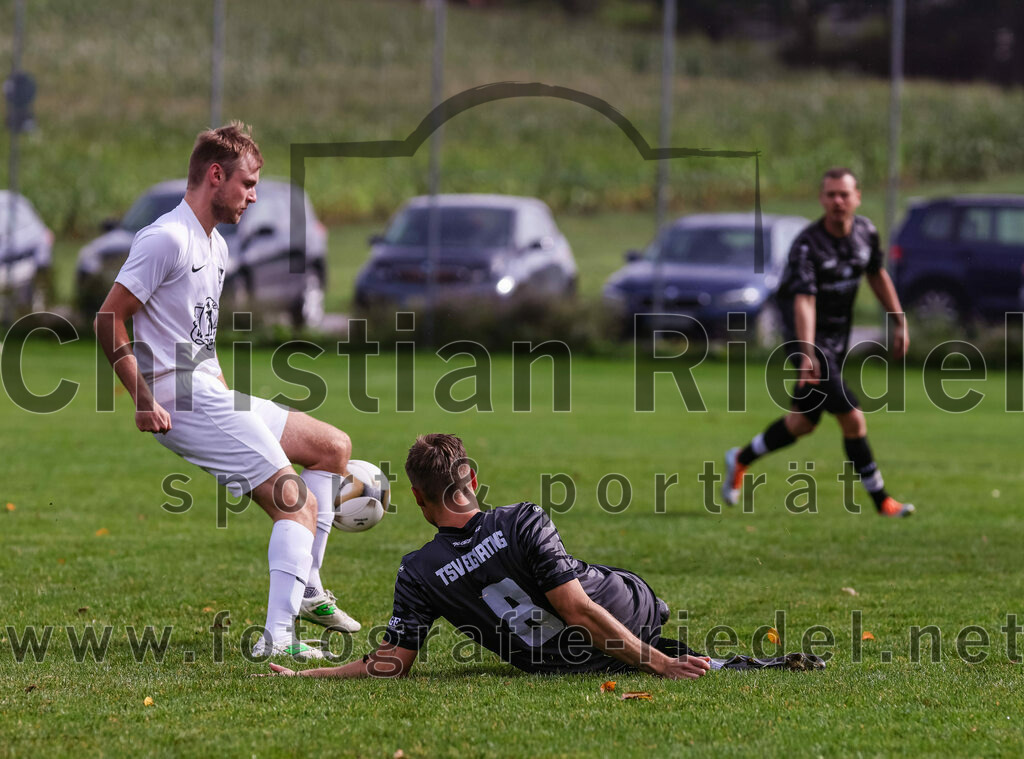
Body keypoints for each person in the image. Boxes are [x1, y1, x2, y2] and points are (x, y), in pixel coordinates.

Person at [94, 123, 359, 660]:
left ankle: (307, 589)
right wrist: (142, 399)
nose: (253, 196)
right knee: (297, 502)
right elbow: (108, 319)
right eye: (248, 183)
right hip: (177, 397)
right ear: (215, 175)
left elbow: (197, 337)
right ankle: (278, 639)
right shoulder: (166, 238)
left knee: (332, 448)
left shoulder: (215, 245)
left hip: (206, 391)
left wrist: (222, 392)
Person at [262, 434, 823, 678]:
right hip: (621, 611)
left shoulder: (419, 571)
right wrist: (656, 663)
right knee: (618, 599)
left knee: (592, 625)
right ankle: (678, 650)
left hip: (555, 660)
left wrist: (313, 676)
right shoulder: (522, 518)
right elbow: (577, 609)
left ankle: (675, 653)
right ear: (472, 479)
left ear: (415, 497)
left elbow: (392, 665)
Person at [723, 167, 914, 518]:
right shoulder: (807, 245)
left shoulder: (866, 233)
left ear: (857, 197)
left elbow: (876, 274)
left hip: (836, 341)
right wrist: (808, 353)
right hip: (806, 339)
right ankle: (882, 500)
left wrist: (898, 320)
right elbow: (804, 302)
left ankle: (740, 459)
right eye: (831, 194)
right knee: (853, 419)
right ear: (821, 199)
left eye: (844, 194)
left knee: (802, 423)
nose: (838, 201)